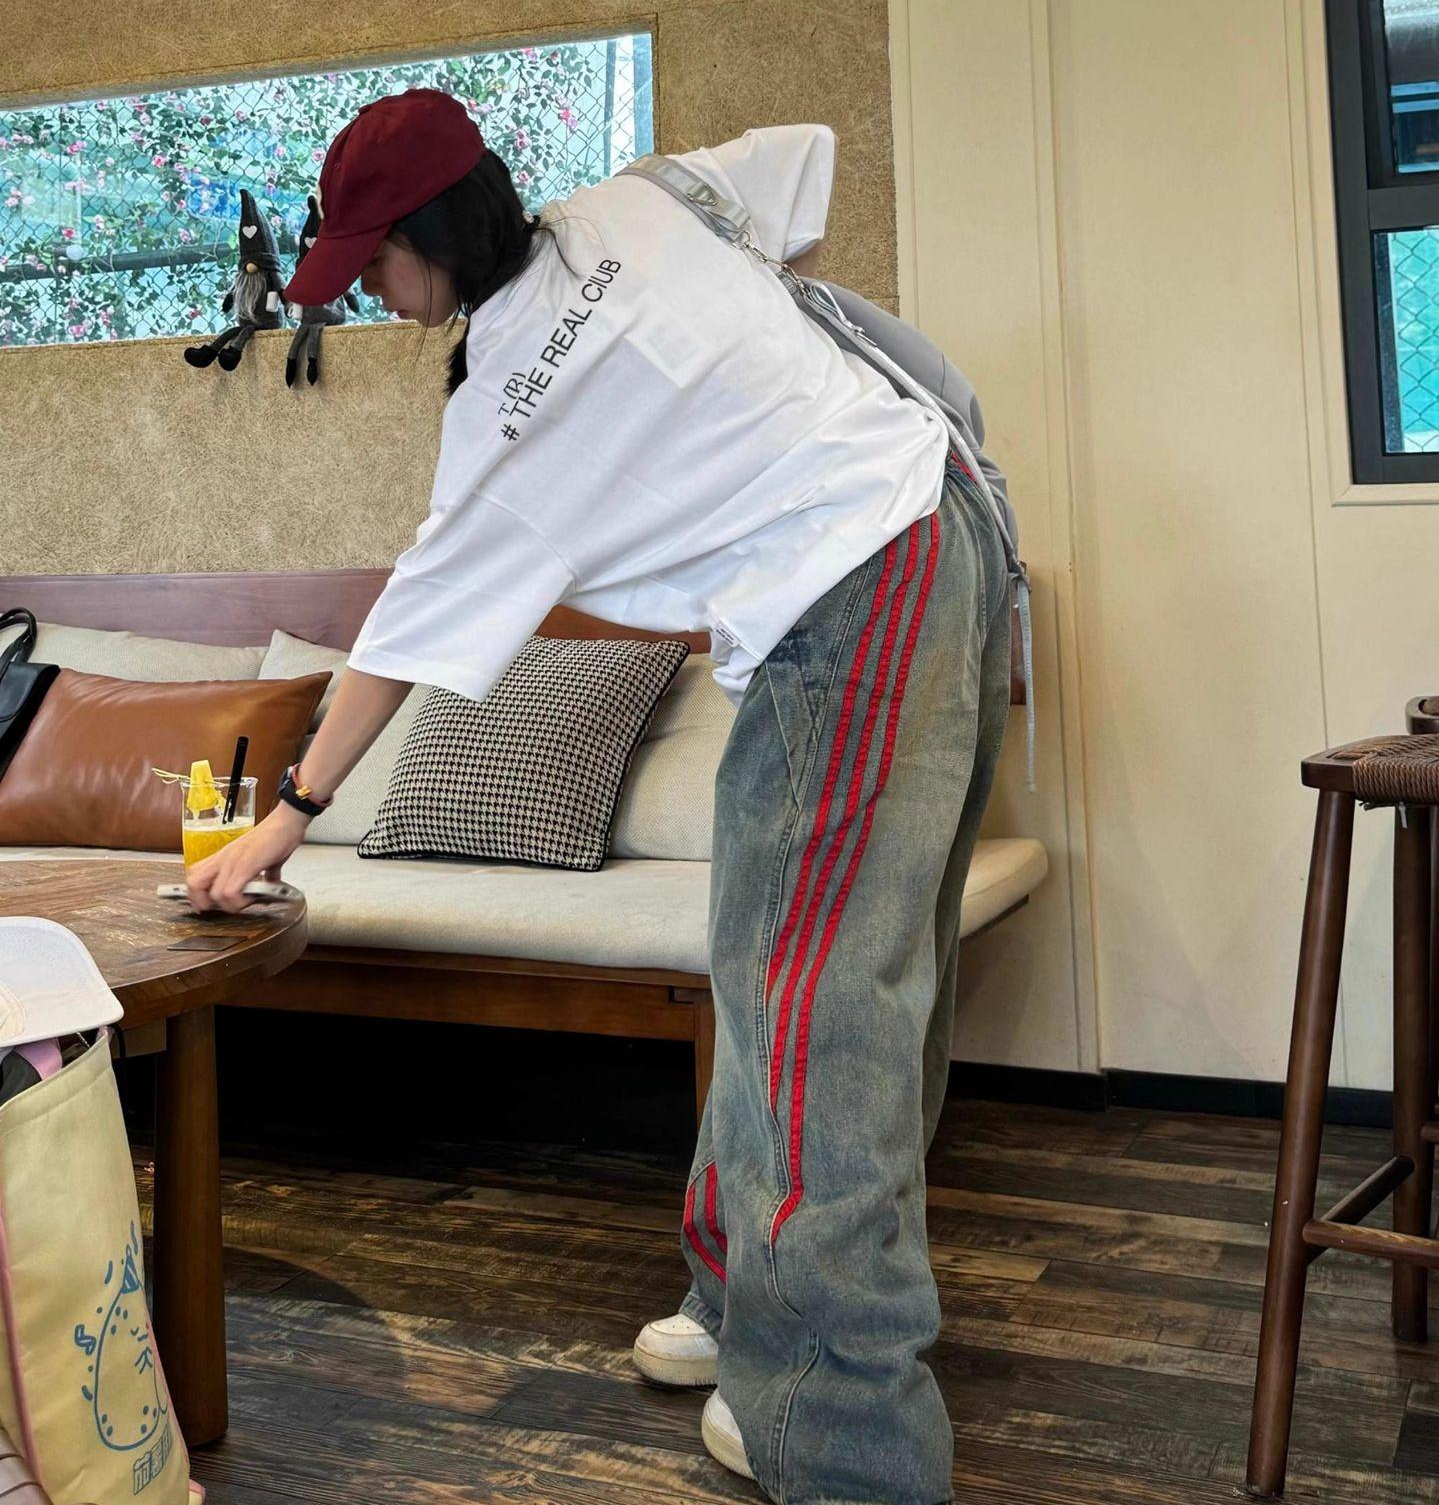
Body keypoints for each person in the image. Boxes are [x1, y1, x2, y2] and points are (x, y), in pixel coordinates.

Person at [185, 86, 1017, 1505]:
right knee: (800, 977)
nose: (373, 295)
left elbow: (400, 640)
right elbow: (798, 164)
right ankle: (739, 1297)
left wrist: (287, 819)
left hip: (853, 587)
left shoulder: (512, 407)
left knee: (821, 1015)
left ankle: (843, 1443)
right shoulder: (633, 202)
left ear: (438, 232)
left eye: (377, 263)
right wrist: (739, 379)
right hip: (935, 527)